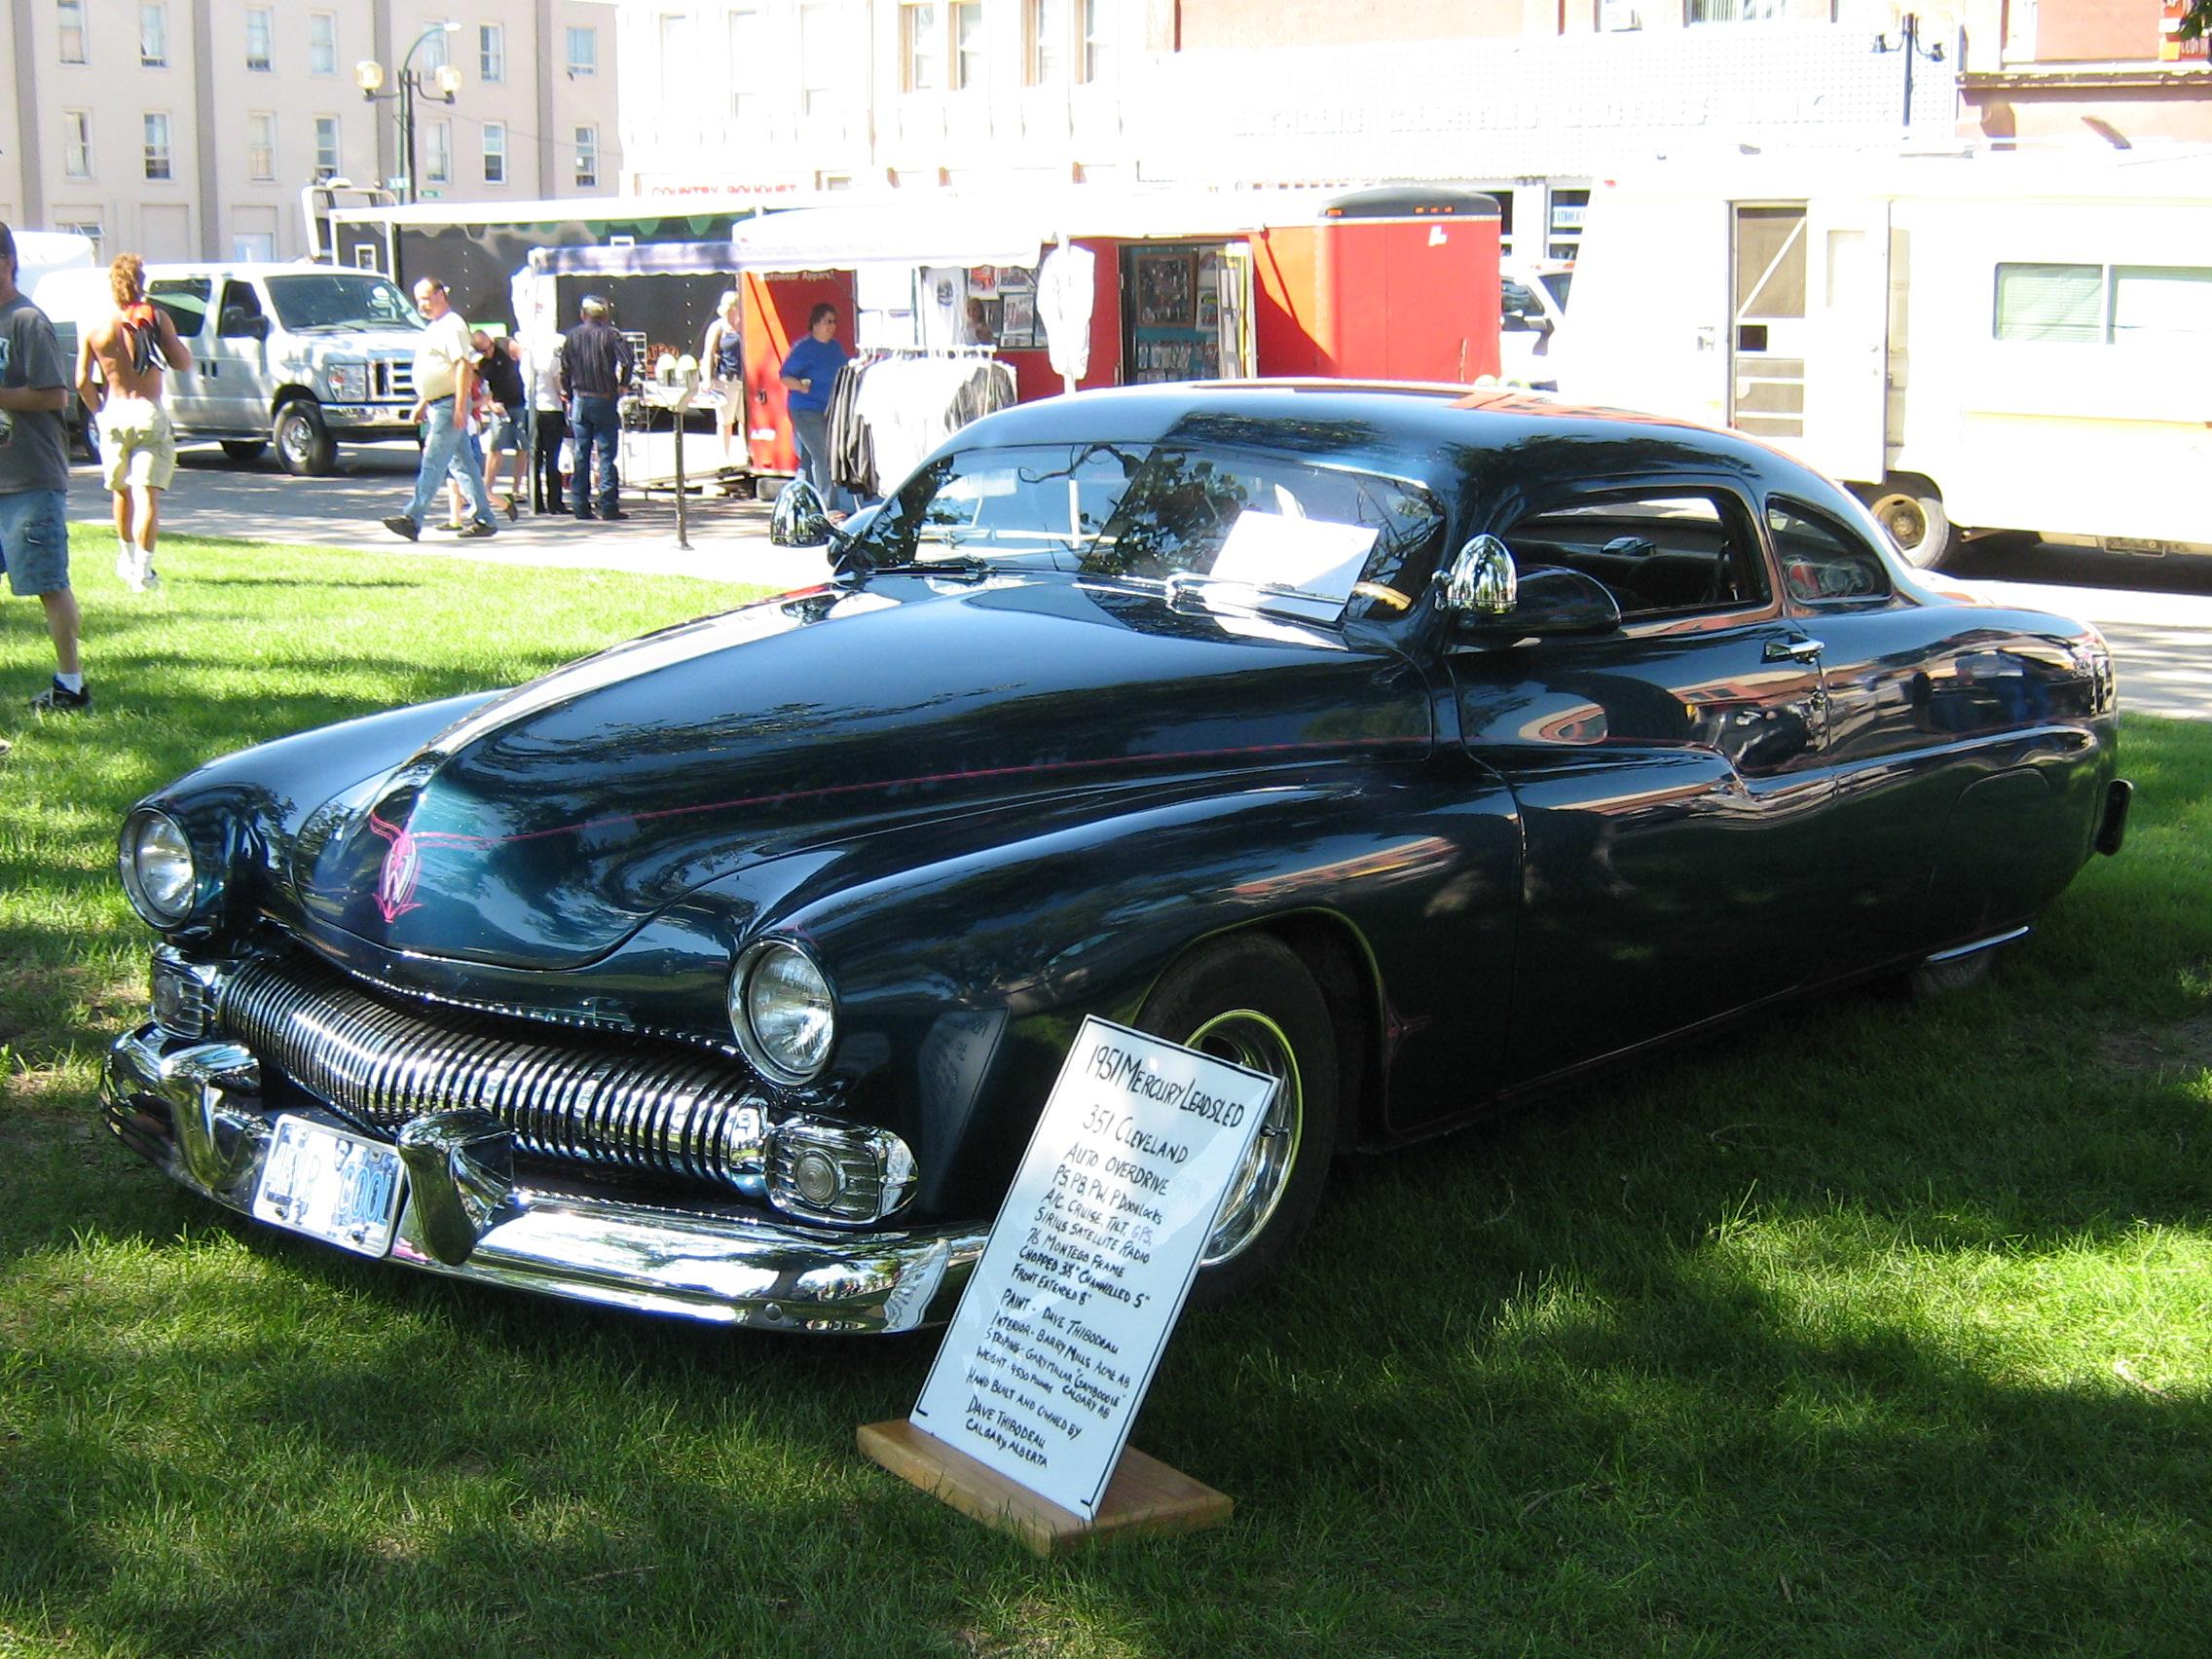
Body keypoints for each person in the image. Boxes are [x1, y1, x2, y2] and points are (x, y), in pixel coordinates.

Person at [0, 222, 90, 713]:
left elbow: (56, 394)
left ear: (7, 263)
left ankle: (70, 684)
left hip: (30, 477)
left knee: (47, 582)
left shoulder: (27, 320)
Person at [75, 253, 192, 593]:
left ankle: (125, 558)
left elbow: (81, 380)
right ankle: (143, 570)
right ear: (141, 283)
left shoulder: (96, 325)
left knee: (121, 490)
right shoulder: (154, 318)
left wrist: (98, 412)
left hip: (113, 412)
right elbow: (182, 362)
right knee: (147, 494)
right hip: (147, 410)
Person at [383, 276, 498, 542]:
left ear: (440, 295)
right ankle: (484, 518)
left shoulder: (453, 324)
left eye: (426, 298)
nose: (421, 305)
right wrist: (423, 402)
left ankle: (413, 518)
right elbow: (438, 369)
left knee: (433, 461)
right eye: (418, 300)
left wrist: (459, 406)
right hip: (439, 403)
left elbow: (462, 366)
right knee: (464, 465)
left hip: (449, 404)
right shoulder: (435, 326)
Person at [559, 293, 632, 521]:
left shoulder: (572, 337)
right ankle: (608, 505)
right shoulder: (612, 335)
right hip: (604, 397)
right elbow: (628, 360)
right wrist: (623, 384)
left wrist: (569, 393)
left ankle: (580, 505)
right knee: (606, 454)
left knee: (581, 453)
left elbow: (564, 368)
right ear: (605, 316)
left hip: (581, 398)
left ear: (583, 315)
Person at [779, 302, 852, 510]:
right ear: (816, 324)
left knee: (808, 458)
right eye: (827, 321)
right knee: (823, 455)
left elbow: (844, 369)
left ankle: (801, 504)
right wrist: (801, 386)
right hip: (805, 410)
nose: (832, 326)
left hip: (828, 410)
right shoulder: (805, 349)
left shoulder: (835, 347)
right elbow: (785, 376)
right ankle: (828, 506)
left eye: (834, 322)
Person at [473, 328, 527, 522]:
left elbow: (525, 361)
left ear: (491, 342)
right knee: (496, 447)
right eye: (482, 352)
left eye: (487, 349)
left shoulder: (506, 345)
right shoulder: (481, 363)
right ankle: (487, 488)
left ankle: (516, 489)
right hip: (499, 405)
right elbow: (481, 388)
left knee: (522, 446)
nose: (487, 353)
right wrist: (490, 405)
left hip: (519, 402)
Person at [702, 290, 745, 467]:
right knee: (726, 421)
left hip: (744, 379)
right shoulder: (718, 327)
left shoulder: (744, 325)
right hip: (725, 380)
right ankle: (723, 457)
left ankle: (746, 453)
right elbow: (708, 353)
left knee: (745, 420)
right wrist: (706, 378)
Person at [527, 327, 568, 513]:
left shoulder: (528, 361)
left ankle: (536, 501)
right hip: (552, 408)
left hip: (533, 409)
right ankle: (554, 502)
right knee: (552, 456)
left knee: (535, 458)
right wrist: (563, 393)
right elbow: (559, 385)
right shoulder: (553, 360)